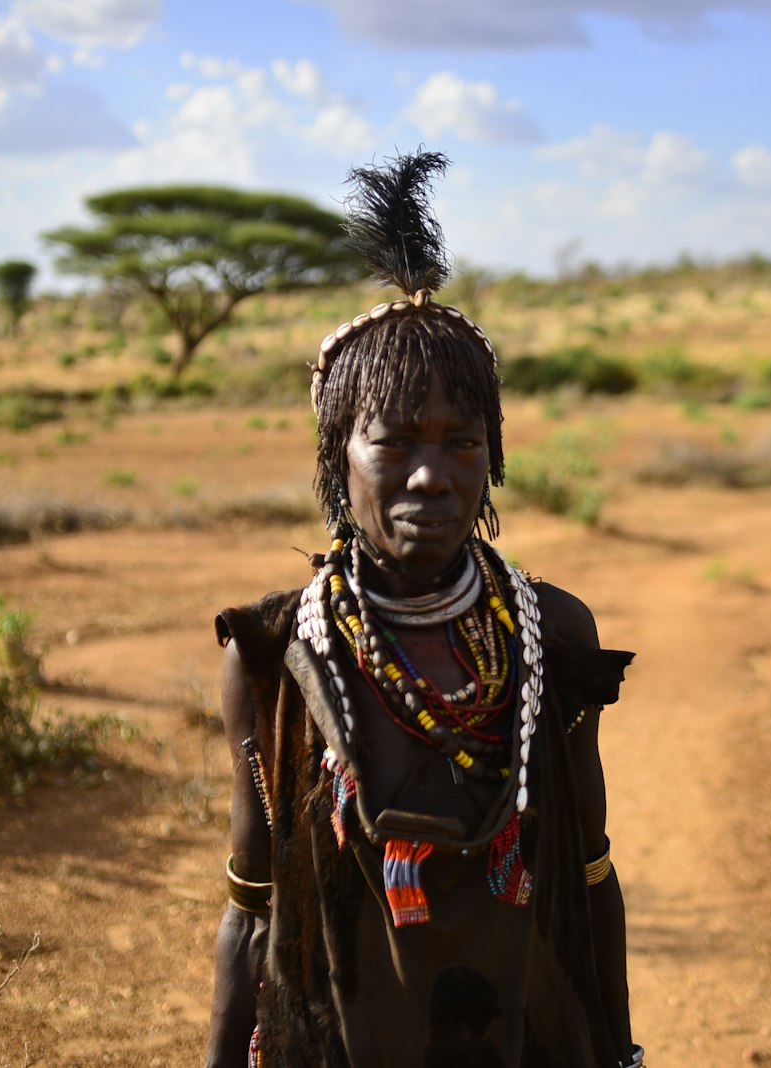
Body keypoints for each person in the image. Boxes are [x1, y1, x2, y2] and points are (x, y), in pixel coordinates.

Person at [205, 151, 642, 1068]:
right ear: (337, 458)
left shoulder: (551, 636)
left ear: (494, 455)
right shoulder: (276, 655)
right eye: (393, 441)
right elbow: (252, 911)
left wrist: (621, 1054)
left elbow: (590, 880)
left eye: (461, 442)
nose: (431, 475)